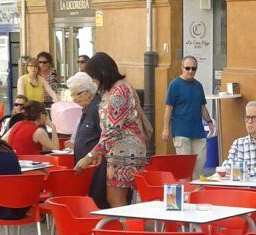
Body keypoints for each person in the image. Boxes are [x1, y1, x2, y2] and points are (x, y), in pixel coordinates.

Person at [74, 52, 151, 208]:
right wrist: (100, 152)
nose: (93, 81)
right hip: (122, 150)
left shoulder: (118, 93)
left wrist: (89, 156)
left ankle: (127, 230)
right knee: (118, 200)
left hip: (123, 152)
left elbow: (112, 131)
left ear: (102, 72)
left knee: (116, 200)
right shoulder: (119, 87)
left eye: (93, 77)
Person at [162, 56, 214, 179]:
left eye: (194, 68)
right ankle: (185, 193)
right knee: (185, 167)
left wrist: (209, 121)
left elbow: (202, 107)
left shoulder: (198, 85)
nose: (190, 71)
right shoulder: (175, 84)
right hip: (181, 131)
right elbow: (168, 108)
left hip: (198, 131)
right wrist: (165, 128)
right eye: (187, 68)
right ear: (182, 68)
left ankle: (194, 192)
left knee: (200, 162)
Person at [66, 72, 110, 208]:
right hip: (89, 168)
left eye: (77, 94)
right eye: (72, 95)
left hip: (98, 168)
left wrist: (91, 155)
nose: (74, 99)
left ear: (88, 92)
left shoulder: (97, 109)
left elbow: (105, 136)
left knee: (98, 202)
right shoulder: (87, 108)